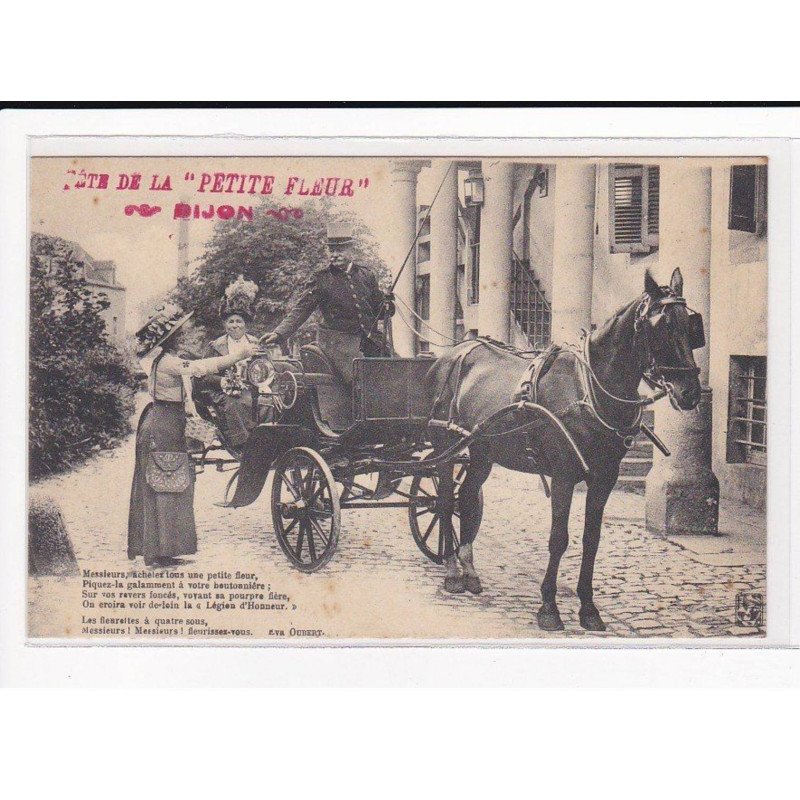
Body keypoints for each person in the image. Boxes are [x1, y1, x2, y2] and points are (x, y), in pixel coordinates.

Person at [128, 303, 256, 566]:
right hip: (163, 425)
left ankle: (164, 551)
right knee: (164, 484)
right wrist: (238, 355)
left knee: (169, 484)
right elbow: (202, 367)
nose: (184, 336)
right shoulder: (170, 362)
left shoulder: (162, 359)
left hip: (165, 421)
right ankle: (159, 553)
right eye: (180, 333)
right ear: (172, 339)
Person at [260, 222, 394, 386]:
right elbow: (301, 309)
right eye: (332, 250)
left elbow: (379, 312)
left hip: (370, 340)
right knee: (361, 380)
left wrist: (387, 305)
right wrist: (279, 333)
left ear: (352, 250)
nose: (335, 254)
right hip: (337, 344)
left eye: (340, 250)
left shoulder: (366, 275)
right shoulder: (321, 279)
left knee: (398, 370)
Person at [198, 275, 260, 451]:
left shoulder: (255, 344)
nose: (235, 326)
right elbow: (203, 374)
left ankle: (265, 441)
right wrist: (222, 382)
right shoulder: (216, 346)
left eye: (239, 321)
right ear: (225, 324)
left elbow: (266, 368)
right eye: (230, 321)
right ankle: (243, 444)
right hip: (222, 390)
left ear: (245, 324)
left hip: (253, 388)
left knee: (269, 403)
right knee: (235, 402)